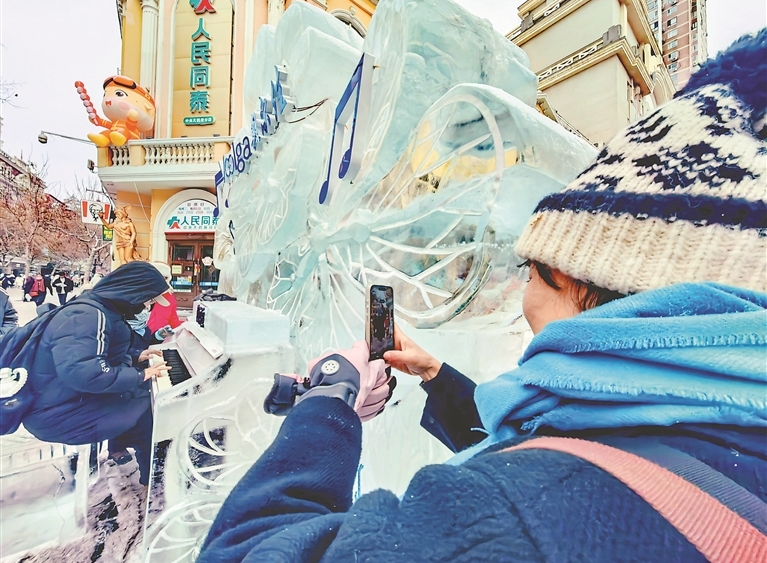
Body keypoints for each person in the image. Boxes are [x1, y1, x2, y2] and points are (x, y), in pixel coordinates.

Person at [196, 32, 767, 563]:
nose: (519, 291)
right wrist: (436, 375)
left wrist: (327, 401)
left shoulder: (512, 513)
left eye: (529, 270)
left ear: (574, 274)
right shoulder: (723, 428)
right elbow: (568, 443)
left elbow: (247, 550)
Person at [23, 262, 173, 486]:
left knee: (144, 399)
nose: (147, 307)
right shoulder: (87, 315)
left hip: (67, 400)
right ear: (134, 292)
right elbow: (85, 373)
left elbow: (97, 355)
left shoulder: (101, 309)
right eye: (147, 300)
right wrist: (139, 376)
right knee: (152, 412)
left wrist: (135, 357)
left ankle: (146, 469)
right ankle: (156, 483)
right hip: (58, 414)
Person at [146, 262, 182, 338]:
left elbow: (173, 321)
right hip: (138, 339)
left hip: (160, 339)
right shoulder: (138, 295)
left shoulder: (169, 297)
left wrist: (185, 327)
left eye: (165, 278)